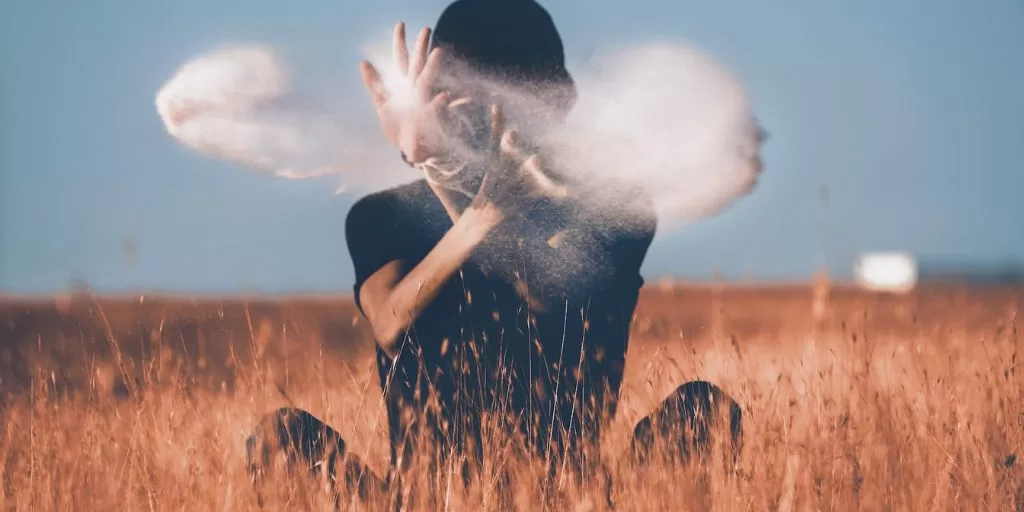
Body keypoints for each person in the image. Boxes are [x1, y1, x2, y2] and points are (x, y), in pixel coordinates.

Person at [246, 0, 743, 508]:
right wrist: (453, 185)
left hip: (570, 497)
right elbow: (392, 321)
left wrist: (461, 189)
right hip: (423, 500)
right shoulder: (382, 216)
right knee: (280, 439)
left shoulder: (616, 213)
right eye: (454, 99)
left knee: (704, 410)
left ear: (558, 101)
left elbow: (550, 302)